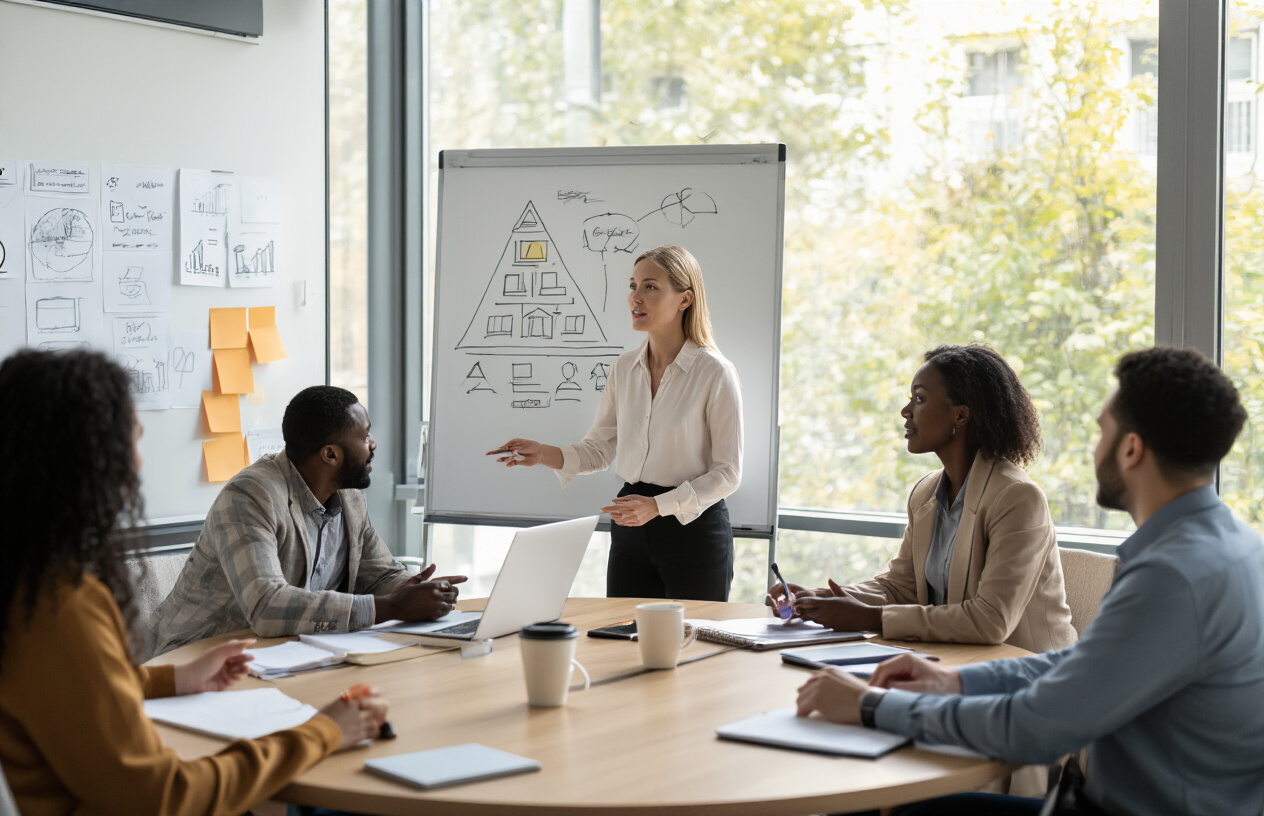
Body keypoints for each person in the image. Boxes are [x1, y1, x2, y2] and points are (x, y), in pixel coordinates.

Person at [795, 347, 1264, 816]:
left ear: (1131, 448)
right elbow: (1086, 663)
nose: (1093, 447)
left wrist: (872, 707)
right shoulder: (1234, 549)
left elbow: (1035, 725)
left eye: (1101, 431)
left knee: (895, 807)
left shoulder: (1169, 578)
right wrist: (954, 680)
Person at [0, 349, 390, 815]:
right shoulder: (61, 607)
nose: (138, 464)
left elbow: (74, 694)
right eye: (132, 442)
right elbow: (164, 796)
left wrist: (173, 678)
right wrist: (324, 733)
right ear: (87, 461)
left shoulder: (28, 586)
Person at [770, 344, 1075, 653]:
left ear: (961, 414)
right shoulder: (926, 493)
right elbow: (900, 588)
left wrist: (871, 618)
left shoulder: (1017, 498)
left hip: (1028, 675)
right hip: (952, 661)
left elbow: (991, 619)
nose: (906, 411)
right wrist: (821, 599)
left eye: (919, 398)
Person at [488, 245, 743, 601]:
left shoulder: (714, 372)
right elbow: (599, 451)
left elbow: (727, 473)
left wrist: (657, 506)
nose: (635, 297)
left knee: (692, 645)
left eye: (650, 287)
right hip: (631, 525)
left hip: (692, 529)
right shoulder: (623, 369)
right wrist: (542, 453)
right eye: (633, 285)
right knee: (621, 639)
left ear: (685, 299)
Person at [150, 385, 466, 657]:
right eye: (365, 434)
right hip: (198, 656)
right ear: (330, 455)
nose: (373, 444)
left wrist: (417, 590)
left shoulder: (349, 497)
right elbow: (267, 607)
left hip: (284, 654)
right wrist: (394, 607)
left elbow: (378, 573)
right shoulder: (249, 496)